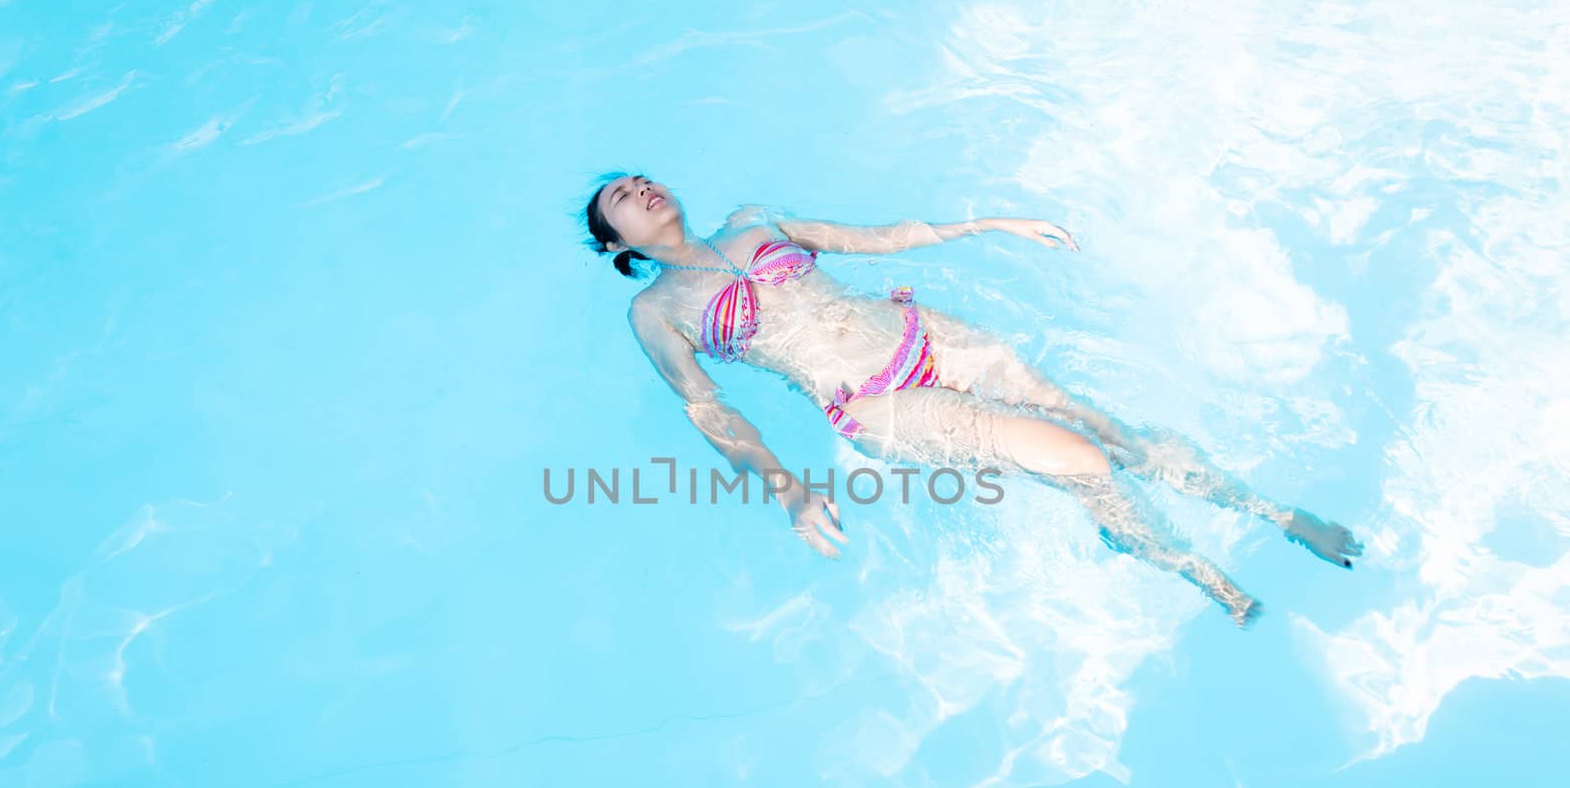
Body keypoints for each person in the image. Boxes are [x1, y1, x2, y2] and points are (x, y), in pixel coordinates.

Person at [582, 171, 1361, 627]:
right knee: (1082, 457)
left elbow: (877, 238)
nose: (641, 187)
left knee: (1100, 428)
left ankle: (1280, 517)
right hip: (879, 405)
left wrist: (989, 223)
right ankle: (1199, 571)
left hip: (931, 335)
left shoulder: (755, 221)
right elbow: (709, 409)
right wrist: (788, 488)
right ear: (617, 244)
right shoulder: (655, 312)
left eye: (643, 177)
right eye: (621, 195)